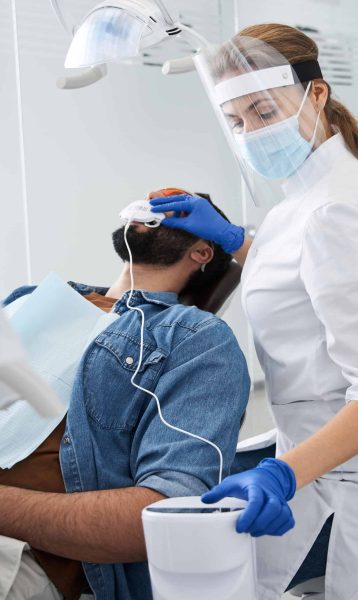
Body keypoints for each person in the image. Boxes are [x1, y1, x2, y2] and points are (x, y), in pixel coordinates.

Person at [150, 25, 358, 600]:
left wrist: (282, 473)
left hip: (348, 481)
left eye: (263, 112)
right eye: (236, 121)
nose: (251, 134)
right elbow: (307, 274)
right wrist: (238, 240)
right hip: (313, 457)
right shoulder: (313, 188)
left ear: (317, 93)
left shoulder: (335, 207)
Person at [0, 188, 250, 600]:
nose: (152, 208)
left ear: (203, 251)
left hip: (20, 555)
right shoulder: (29, 301)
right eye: (150, 202)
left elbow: (166, 510)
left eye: (175, 210)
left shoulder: (193, 338)